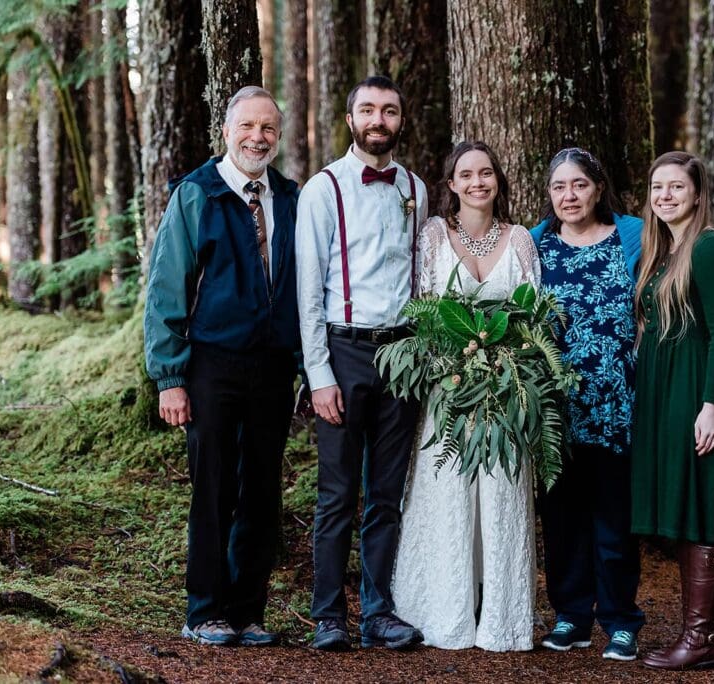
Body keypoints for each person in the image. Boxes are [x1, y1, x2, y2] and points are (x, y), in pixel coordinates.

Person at [143, 86, 299, 647]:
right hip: (211, 363)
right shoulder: (196, 195)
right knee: (213, 486)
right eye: (248, 126)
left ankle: (246, 610)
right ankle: (204, 609)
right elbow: (166, 289)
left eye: (269, 129)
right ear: (227, 131)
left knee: (262, 488)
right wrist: (170, 376)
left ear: (278, 137)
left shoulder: (291, 196)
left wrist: (307, 364)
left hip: (274, 367)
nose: (258, 137)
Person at [391, 141, 541, 652]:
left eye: (486, 173)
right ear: (451, 184)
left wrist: (508, 364)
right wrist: (452, 364)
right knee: (448, 493)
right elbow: (420, 311)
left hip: (506, 391)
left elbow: (533, 318)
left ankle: (503, 618)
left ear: (498, 179)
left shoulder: (520, 239)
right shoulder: (434, 234)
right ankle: (444, 611)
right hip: (449, 391)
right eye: (466, 175)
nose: (478, 182)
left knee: (502, 495)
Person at [296, 75, 428, 651]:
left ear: (401, 121)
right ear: (351, 120)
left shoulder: (418, 190)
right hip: (344, 350)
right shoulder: (322, 189)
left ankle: (377, 611)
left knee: (387, 491)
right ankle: (328, 614)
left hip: (402, 352)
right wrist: (319, 375)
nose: (380, 119)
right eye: (369, 110)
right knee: (337, 491)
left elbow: (421, 278)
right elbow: (307, 293)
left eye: (390, 111)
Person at [530, 147, 646, 661]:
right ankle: (571, 616)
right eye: (559, 187)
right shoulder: (537, 244)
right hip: (555, 408)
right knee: (561, 518)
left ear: (598, 187)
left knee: (614, 518)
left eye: (578, 185)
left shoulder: (633, 236)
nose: (569, 196)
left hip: (616, 402)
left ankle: (621, 620)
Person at [631, 151, 714, 670]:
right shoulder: (661, 252)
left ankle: (700, 641)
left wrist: (711, 404)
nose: (666, 196)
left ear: (697, 194)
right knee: (682, 505)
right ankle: (695, 636)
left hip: (695, 392)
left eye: (676, 187)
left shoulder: (709, 248)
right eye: (658, 188)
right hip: (663, 394)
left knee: (702, 505)